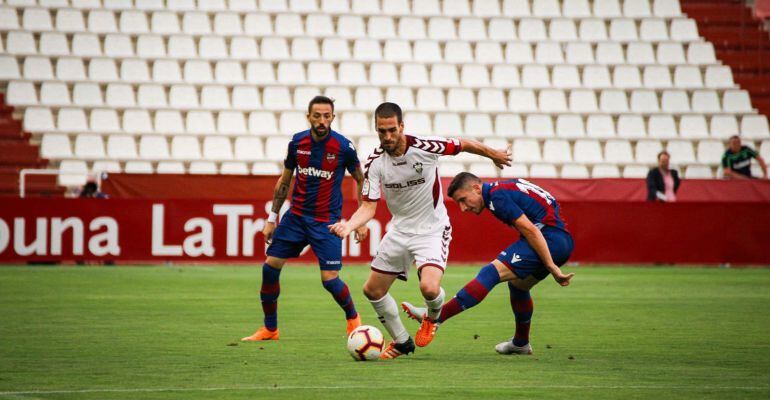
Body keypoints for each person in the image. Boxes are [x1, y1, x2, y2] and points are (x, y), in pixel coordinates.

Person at [328, 102, 512, 359]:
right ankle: (402, 341)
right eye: (382, 131)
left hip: (432, 229)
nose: (388, 137)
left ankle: (432, 318)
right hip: (400, 230)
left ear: (402, 126)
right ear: (376, 130)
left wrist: (493, 154)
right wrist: (349, 225)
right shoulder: (374, 164)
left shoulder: (425, 146)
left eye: (392, 129)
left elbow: (463, 144)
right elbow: (369, 206)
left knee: (428, 288)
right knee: (372, 290)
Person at [402, 173, 574, 355]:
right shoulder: (502, 189)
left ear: (477, 188)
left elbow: (530, 229)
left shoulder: (497, 196)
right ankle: (521, 343)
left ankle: (435, 317)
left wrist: (551, 265)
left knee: (490, 273)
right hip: (560, 240)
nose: (462, 208)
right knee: (518, 287)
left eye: (463, 200)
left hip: (549, 239)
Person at [242, 96, 368, 342]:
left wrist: (360, 220)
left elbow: (361, 179)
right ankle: (270, 329)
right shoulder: (297, 143)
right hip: (296, 218)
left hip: (327, 222)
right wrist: (271, 218)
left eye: (326, 116)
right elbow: (284, 181)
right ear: (308, 116)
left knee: (329, 280)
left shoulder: (344, 147)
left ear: (333, 117)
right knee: (269, 268)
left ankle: (353, 318)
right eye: (317, 115)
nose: (322, 121)